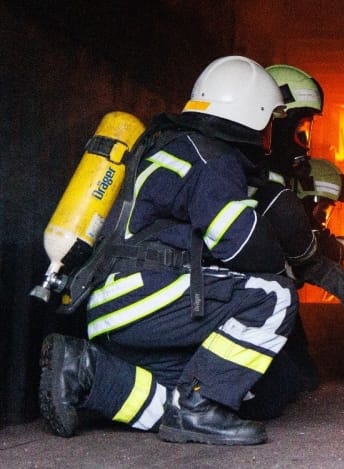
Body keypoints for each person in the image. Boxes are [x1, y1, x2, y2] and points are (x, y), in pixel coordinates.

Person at [38, 55, 300, 445]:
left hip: (112, 308)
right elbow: (241, 242)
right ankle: (198, 409)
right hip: (147, 296)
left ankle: (84, 367)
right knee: (274, 295)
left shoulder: (170, 146)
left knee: (183, 397)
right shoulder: (212, 156)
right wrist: (285, 264)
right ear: (256, 113)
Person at [239, 66, 344, 421]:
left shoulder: (270, 177)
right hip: (229, 302)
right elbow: (298, 244)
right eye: (299, 129)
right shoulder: (244, 175)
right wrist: (337, 256)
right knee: (281, 391)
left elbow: (301, 241)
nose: (304, 141)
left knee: (299, 381)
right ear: (271, 121)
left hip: (257, 299)